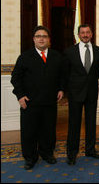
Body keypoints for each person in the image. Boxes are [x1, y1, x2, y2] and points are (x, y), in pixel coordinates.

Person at [11, 26, 64, 170]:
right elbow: (15, 79)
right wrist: (20, 96)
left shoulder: (56, 56)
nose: (41, 38)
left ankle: (47, 154)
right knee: (29, 131)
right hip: (30, 102)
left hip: (49, 101)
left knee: (48, 130)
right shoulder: (24, 57)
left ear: (49, 40)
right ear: (34, 39)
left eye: (44, 36)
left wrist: (61, 88)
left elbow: (61, 76)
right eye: (38, 36)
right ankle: (30, 158)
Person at [64, 24, 99, 165]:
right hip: (75, 93)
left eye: (88, 32)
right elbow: (65, 74)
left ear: (91, 34)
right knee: (74, 123)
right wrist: (65, 92)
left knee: (91, 122)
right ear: (78, 35)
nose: (85, 35)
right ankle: (72, 153)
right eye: (82, 33)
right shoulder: (69, 52)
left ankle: (90, 150)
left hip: (92, 92)